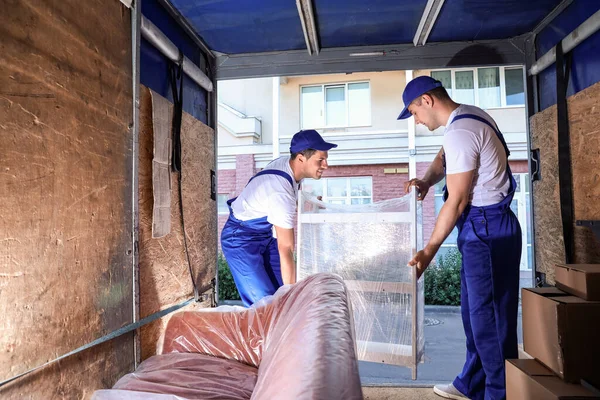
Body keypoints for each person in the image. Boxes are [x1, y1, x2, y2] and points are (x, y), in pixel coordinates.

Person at [398, 76, 522, 400]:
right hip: (483, 228)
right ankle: (472, 382)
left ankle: (500, 393)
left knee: (490, 322)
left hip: (487, 229)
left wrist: (428, 251)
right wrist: (426, 180)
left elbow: (456, 200)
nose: (416, 119)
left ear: (427, 100)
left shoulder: (461, 131)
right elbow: (444, 158)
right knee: (474, 315)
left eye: (413, 111)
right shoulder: (466, 117)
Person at [221, 129, 337, 307]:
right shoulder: (280, 191)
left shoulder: (289, 166)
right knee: (265, 305)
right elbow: (286, 248)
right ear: (300, 158)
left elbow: (283, 202)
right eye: (320, 160)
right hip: (239, 240)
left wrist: (310, 203)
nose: (326, 165)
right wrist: (292, 298)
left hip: (262, 236)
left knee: (282, 290)